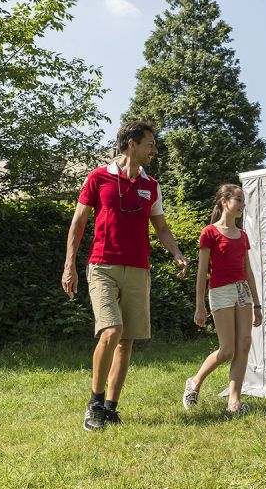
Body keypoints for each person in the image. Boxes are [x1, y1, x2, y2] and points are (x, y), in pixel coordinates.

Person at [62, 121, 189, 431]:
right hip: (102, 265)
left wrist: (176, 252)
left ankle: (110, 409)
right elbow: (78, 222)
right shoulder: (98, 177)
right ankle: (94, 404)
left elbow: (161, 227)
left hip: (138, 268)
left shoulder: (152, 185)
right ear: (132, 144)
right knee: (112, 330)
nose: (154, 149)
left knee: (126, 341)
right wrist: (69, 265)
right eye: (150, 143)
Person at [182, 184, 263, 414]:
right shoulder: (209, 232)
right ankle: (194, 382)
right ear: (224, 201)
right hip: (220, 291)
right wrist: (199, 306)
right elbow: (202, 272)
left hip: (243, 291)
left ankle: (234, 402)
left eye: (243, 201)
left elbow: (248, 271)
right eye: (238, 200)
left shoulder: (242, 235)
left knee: (244, 344)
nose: (242, 205)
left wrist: (257, 304)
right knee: (227, 349)